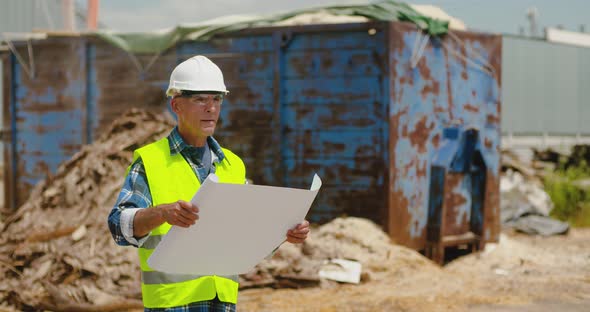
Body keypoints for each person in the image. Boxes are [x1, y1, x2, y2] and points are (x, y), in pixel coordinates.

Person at [107, 55, 310, 311]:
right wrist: (162, 213)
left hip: (221, 303)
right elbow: (118, 225)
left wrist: (284, 233)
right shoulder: (151, 161)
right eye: (200, 99)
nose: (211, 108)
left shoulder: (233, 165)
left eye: (217, 99)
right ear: (176, 105)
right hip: (172, 305)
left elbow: (249, 235)